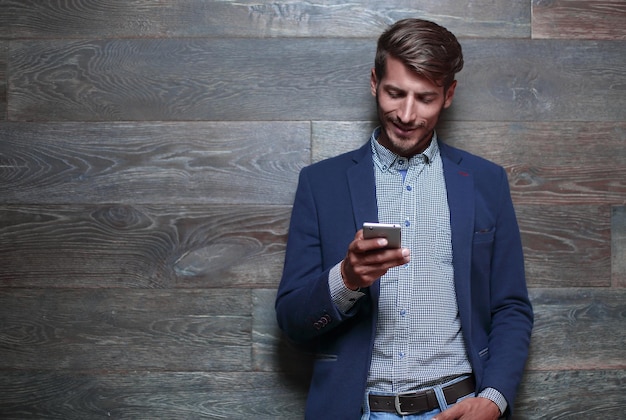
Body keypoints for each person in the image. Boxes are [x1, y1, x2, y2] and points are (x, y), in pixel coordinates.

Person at [275, 18, 533, 420]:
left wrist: (494, 400)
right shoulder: (319, 184)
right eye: (395, 93)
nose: (407, 114)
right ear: (374, 81)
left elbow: (511, 307)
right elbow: (292, 321)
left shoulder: (487, 182)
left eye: (425, 98)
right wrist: (347, 278)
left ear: (448, 95)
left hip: (458, 408)